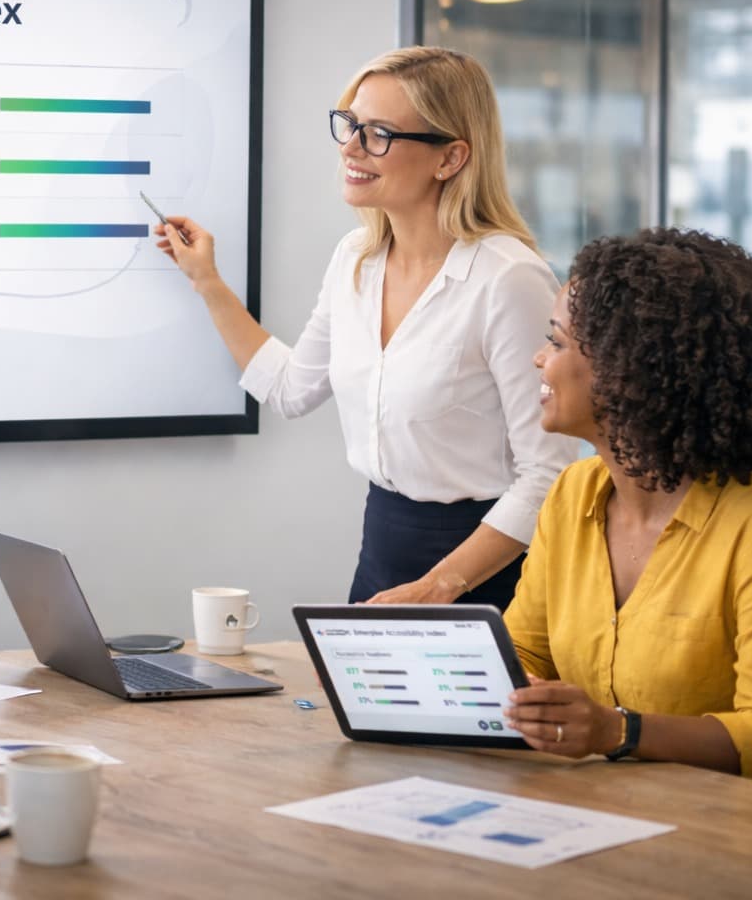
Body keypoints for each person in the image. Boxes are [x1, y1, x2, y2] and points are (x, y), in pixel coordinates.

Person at [158, 46, 576, 607]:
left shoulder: (508, 279)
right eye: (350, 124)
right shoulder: (357, 258)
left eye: (379, 133)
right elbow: (290, 390)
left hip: (487, 571)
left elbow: (547, 474)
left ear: (450, 158)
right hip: (383, 550)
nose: (351, 148)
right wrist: (207, 280)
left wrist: (438, 586)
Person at [504, 229, 752, 796]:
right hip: (598, 811)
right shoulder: (572, 494)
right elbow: (523, 648)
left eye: (556, 342)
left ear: (627, 369)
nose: (539, 359)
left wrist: (617, 731)